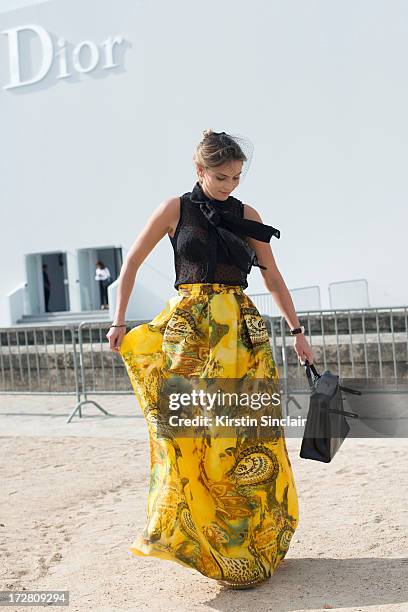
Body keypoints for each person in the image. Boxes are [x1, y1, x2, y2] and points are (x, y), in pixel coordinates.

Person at [106, 129, 314, 589]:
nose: (230, 185)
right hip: (191, 334)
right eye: (221, 177)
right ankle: (199, 539)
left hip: (241, 333)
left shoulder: (248, 215)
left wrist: (298, 332)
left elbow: (273, 276)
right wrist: (119, 321)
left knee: (248, 437)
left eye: (237, 177)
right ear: (199, 170)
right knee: (188, 435)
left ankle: (251, 542)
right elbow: (131, 265)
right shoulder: (173, 210)